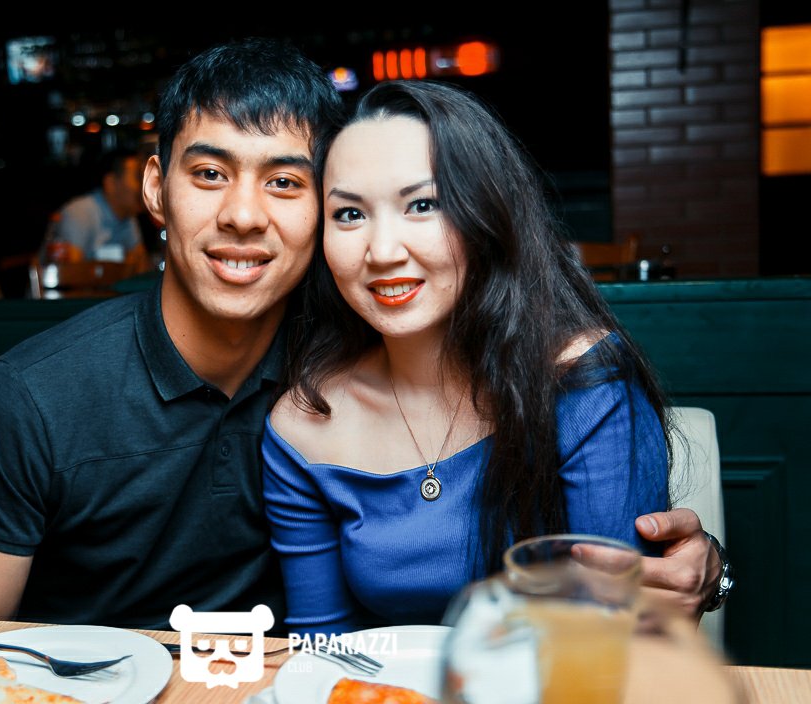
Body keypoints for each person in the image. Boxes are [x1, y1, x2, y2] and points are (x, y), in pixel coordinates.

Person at [0, 40, 724, 685]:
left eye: (286, 182)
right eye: (209, 174)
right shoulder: (38, 395)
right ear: (155, 188)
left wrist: (706, 572)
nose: (245, 215)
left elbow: (614, 611)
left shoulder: (365, 357)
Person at [263, 80, 699, 634]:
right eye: (349, 214)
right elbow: (322, 645)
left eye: (423, 205)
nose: (383, 251)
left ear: (486, 213)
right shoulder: (304, 426)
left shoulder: (584, 385)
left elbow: (617, 636)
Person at [50, 149, 145, 262]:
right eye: (138, 178)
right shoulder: (78, 214)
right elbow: (69, 270)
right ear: (111, 183)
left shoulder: (128, 217)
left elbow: (141, 265)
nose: (145, 185)